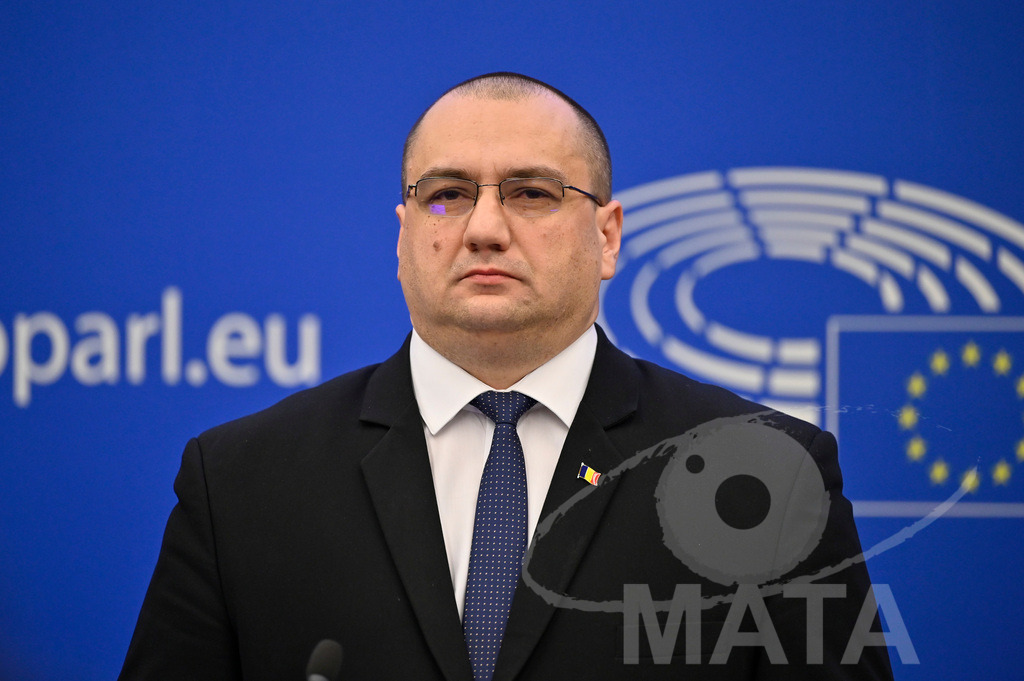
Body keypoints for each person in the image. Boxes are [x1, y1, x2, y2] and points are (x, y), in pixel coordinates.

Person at [119, 73, 894, 681]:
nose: (485, 227)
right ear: (402, 237)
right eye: (447, 195)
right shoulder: (241, 480)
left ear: (608, 235)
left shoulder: (764, 475)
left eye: (531, 193)